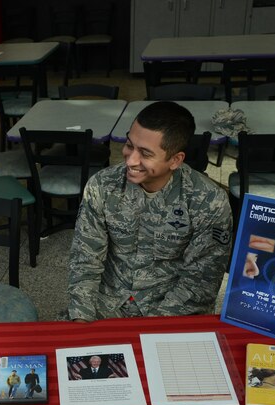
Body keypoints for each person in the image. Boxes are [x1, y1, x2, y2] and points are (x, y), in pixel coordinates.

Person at [67, 101, 232, 321]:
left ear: (175, 160)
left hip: (173, 307)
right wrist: (82, 319)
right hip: (108, 301)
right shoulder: (102, 186)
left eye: (145, 153)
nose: (131, 159)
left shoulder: (209, 201)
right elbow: (85, 260)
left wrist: (152, 329)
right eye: (129, 145)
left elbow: (199, 283)